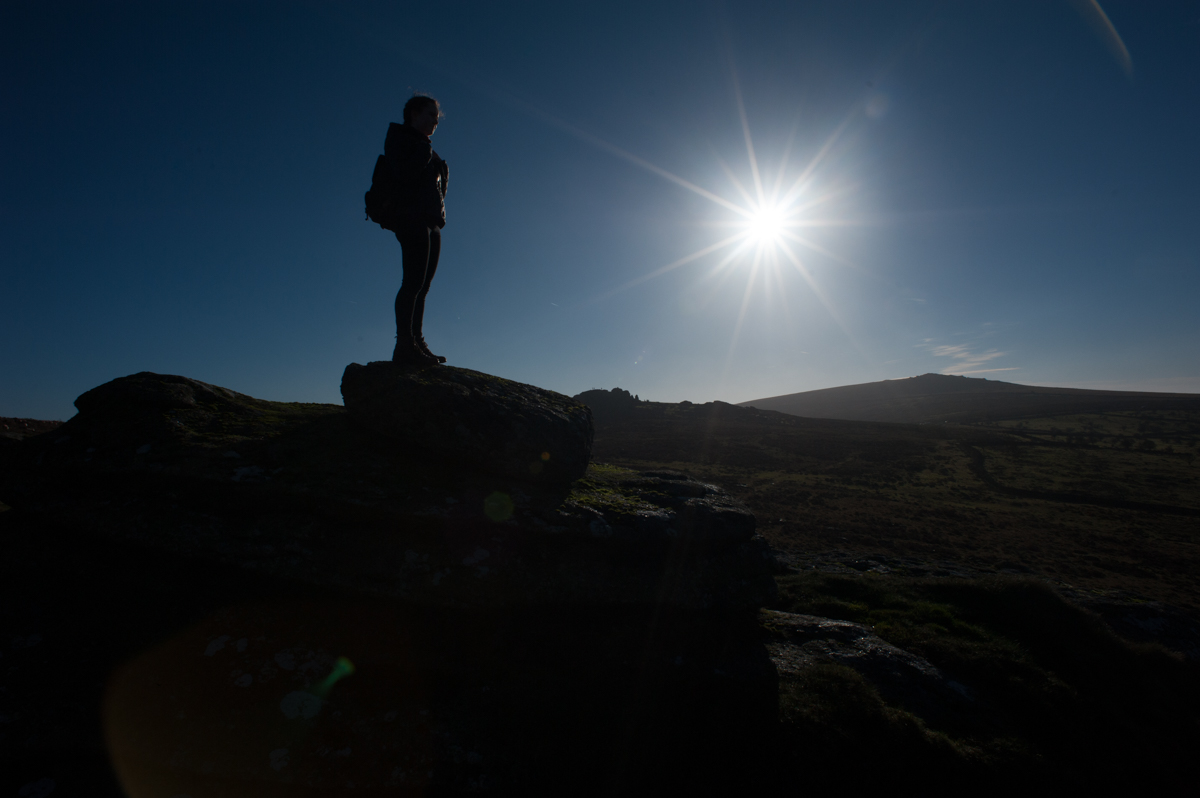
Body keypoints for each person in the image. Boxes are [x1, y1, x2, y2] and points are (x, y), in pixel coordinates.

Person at [385, 94, 449, 365]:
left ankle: (417, 342)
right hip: (410, 218)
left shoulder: (426, 147)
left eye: (436, 117)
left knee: (423, 286)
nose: (435, 121)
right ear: (413, 113)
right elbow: (406, 174)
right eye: (430, 115)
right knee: (412, 283)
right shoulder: (401, 139)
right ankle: (405, 345)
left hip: (431, 221)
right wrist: (425, 152)